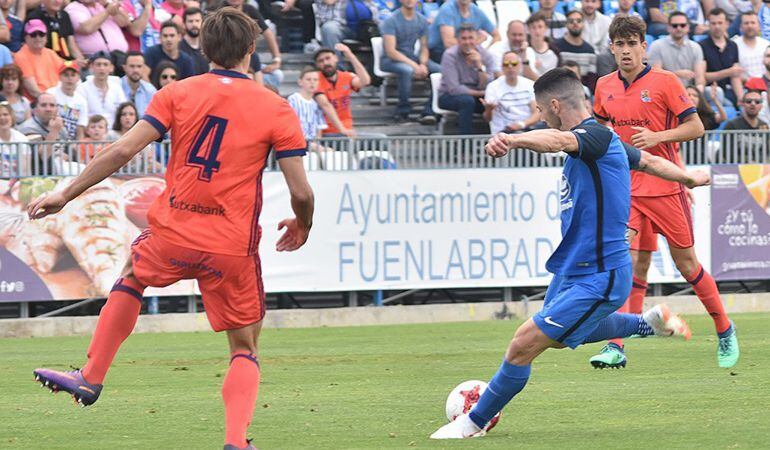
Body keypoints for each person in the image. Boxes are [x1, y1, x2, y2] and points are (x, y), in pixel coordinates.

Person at [30, 9, 314, 450]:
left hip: (173, 231)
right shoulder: (276, 107)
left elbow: (123, 149)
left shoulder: (176, 92)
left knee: (132, 275)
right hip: (230, 245)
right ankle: (237, 442)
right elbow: (302, 192)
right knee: (244, 347)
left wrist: (64, 194)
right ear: (252, 51)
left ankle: (91, 376)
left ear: (203, 49)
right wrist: (303, 224)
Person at [430, 68, 709, 440]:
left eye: (542, 109)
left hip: (600, 273)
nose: (541, 115)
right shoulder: (606, 140)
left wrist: (513, 140)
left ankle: (473, 422)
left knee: (523, 344)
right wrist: (687, 178)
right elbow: (649, 161)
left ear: (557, 105)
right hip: (575, 267)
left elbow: (559, 139)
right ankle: (647, 324)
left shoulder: (591, 136)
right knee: (559, 338)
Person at [592, 15, 739, 369]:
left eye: (632, 44)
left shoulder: (665, 82)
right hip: (628, 191)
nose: (626, 51)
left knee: (686, 264)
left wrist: (657, 137)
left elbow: (697, 126)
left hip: (667, 186)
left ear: (644, 46)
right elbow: (600, 131)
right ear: (611, 47)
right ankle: (616, 346)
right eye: (620, 44)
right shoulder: (604, 86)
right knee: (627, 265)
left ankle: (724, 329)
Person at [379, 0, 440, 123]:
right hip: (390, 60)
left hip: (412, 57)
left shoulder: (421, 20)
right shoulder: (391, 20)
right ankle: (403, 110)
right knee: (407, 70)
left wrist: (422, 64)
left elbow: (424, 47)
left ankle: (429, 111)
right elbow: (391, 51)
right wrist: (414, 65)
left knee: (441, 71)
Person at [438, 25, 497, 135]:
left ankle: (503, 137)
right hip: (449, 96)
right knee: (466, 101)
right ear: (458, 40)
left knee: (495, 101)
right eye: (464, 38)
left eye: (471, 38)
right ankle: (465, 142)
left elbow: (489, 84)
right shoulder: (450, 55)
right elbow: (454, 89)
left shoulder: (486, 55)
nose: (467, 42)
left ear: (476, 39)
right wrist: (481, 93)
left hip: (477, 95)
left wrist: (479, 66)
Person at [313, 44, 371, 136]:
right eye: (321, 61)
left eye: (328, 58)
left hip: (348, 129)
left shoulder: (345, 76)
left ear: (336, 58)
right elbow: (325, 105)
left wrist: (351, 56)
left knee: (381, 140)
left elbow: (365, 81)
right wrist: (342, 129)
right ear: (317, 65)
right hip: (327, 132)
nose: (325, 63)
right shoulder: (315, 79)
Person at [647, 11, 706, 90]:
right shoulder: (656, 46)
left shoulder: (696, 47)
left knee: (716, 92)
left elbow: (700, 79)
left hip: (690, 93)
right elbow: (656, 77)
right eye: (675, 26)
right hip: (666, 91)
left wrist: (697, 93)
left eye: (682, 25)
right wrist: (675, 74)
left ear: (688, 27)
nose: (679, 28)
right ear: (668, 27)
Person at [482, 52, 538, 134]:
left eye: (514, 64)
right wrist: (489, 109)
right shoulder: (493, 87)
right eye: (506, 64)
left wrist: (521, 124)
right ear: (501, 67)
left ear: (520, 66)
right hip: (502, 134)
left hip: (527, 131)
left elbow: (537, 113)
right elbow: (487, 119)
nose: (510, 67)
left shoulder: (530, 84)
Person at [427, 0, 499, 62]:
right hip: (434, 54)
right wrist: (477, 41)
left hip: (464, 55)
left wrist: (484, 53)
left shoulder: (477, 11)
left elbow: (497, 36)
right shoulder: (447, 9)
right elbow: (449, 44)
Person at [701, 7, 743, 106]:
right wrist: (729, 72)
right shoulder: (701, 46)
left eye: (720, 23)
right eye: (713, 23)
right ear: (708, 25)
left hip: (729, 89)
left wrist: (741, 98)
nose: (717, 27)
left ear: (727, 24)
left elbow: (735, 76)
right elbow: (703, 76)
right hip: (710, 91)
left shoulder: (733, 45)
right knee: (726, 102)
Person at [26, 0, 88, 66]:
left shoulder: (64, 15)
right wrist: (70, 63)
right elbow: (40, 50)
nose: (57, 1)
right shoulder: (35, 17)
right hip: (47, 63)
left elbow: (72, 45)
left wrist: (81, 60)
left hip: (68, 62)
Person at [13, 19, 64, 99]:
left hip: (56, 99)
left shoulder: (51, 53)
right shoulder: (20, 56)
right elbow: (33, 91)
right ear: (26, 37)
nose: (38, 38)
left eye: (41, 34)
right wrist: (53, 101)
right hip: (38, 103)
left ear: (46, 37)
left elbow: (65, 74)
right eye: (33, 34)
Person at [77, 52, 127, 128]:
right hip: (90, 132)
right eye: (98, 64)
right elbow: (80, 116)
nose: (102, 68)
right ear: (91, 67)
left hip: (114, 133)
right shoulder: (82, 88)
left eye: (105, 64)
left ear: (111, 68)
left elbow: (123, 111)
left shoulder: (116, 88)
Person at [65, 0, 130, 57]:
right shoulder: (73, 8)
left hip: (120, 56)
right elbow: (86, 29)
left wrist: (106, 5)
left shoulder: (104, 4)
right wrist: (107, 12)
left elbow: (124, 23)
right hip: (94, 59)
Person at [554, 10, 598, 91]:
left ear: (583, 24)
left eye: (579, 21)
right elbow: (554, 75)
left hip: (584, 94)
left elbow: (592, 79)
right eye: (571, 21)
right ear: (566, 24)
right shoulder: (556, 47)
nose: (575, 23)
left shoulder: (589, 50)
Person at [47, 60, 88, 140]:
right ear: (60, 77)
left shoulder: (81, 100)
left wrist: (79, 148)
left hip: (72, 143)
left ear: (78, 77)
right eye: (66, 75)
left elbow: (80, 129)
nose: (69, 78)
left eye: (73, 75)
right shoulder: (50, 94)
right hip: (52, 139)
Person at [723, 89, 769, 161]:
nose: (753, 104)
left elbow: (765, 152)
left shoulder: (764, 126)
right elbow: (727, 152)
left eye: (757, 102)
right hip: (736, 167)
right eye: (748, 101)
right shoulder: (732, 125)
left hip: (758, 167)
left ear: (761, 106)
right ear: (742, 104)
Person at [732, 11, 770, 80]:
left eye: (753, 23)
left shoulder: (766, 45)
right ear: (740, 27)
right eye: (746, 23)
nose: (750, 26)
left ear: (759, 26)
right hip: (744, 87)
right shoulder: (733, 46)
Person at [0, 101, 31, 178]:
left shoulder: (22, 138)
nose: (2, 118)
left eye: (5, 114)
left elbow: (25, 170)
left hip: (17, 183)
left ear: (12, 117)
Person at [121, 51, 157, 116]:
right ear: (124, 68)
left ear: (144, 68)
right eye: (132, 66)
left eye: (139, 66)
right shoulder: (116, 87)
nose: (136, 70)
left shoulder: (150, 90)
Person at [526, 11, 560, 76]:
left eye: (540, 27)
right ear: (528, 29)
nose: (537, 31)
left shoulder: (554, 50)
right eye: (533, 27)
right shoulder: (524, 49)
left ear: (546, 28)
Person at [179, 6, 208, 75]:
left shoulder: (208, 48)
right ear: (184, 24)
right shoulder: (178, 48)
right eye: (190, 21)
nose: (194, 24)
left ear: (202, 23)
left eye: (197, 21)